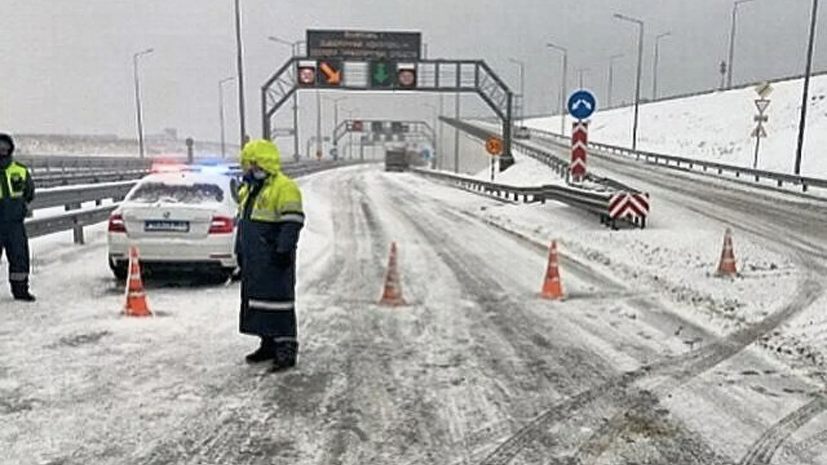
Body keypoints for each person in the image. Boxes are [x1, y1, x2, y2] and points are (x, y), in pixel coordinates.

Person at [236, 139, 305, 370]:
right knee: (257, 302)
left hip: (274, 258)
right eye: (247, 164)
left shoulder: (284, 187)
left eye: (253, 164)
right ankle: (267, 343)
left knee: (279, 304)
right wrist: (240, 250)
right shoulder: (248, 189)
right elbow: (244, 223)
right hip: (254, 259)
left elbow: (292, 221)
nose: (249, 169)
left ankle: (285, 348)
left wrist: (283, 250)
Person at [0, 133, 36, 302]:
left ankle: (21, 290)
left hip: (15, 224)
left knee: (19, 259)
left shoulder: (20, 170)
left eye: (5, 147)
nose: (2, 150)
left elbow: (29, 192)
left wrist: (19, 207)